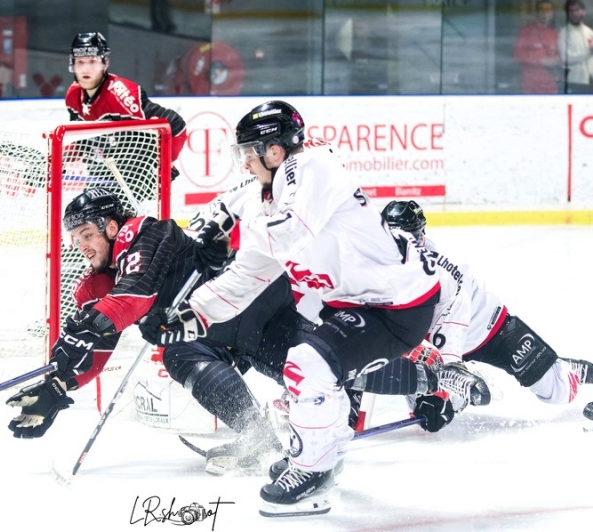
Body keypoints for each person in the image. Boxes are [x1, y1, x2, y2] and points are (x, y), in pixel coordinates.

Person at [144, 100, 442, 518]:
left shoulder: (311, 168)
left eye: (250, 152)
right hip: (355, 306)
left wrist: (228, 227)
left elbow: (287, 234)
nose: (245, 162)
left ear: (275, 150)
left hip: (396, 304)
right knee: (312, 369)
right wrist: (190, 315)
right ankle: (325, 454)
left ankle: (312, 471)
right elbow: (248, 276)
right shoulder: (273, 195)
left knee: (308, 364)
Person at [5, 187, 307, 476]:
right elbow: (97, 350)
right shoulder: (97, 284)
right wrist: (58, 385)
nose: (81, 246)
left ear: (111, 228)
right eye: (75, 238)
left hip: (251, 302)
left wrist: (88, 326)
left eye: (87, 234)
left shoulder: (142, 233)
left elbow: (135, 296)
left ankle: (331, 401)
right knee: (180, 353)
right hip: (214, 331)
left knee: (323, 377)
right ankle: (258, 437)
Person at [373, 200, 593, 406]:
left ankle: (563, 368)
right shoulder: (372, 262)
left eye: (407, 237)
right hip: (437, 339)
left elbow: (450, 337)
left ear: (421, 236)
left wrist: (445, 385)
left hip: (487, 328)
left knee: (558, 389)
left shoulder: (439, 274)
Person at [65, 32, 188, 168]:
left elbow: (176, 124)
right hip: (100, 177)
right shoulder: (73, 95)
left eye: (93, 61)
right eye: (80, 62)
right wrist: (62, 158)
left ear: (105, 64)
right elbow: (83, 143)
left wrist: (166, 164)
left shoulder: (122, 95)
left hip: (133, 182)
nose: (86, 69)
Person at [514, 0, 562, 93]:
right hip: (532, 87)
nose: (545, 13)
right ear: (536, 13)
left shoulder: (554, 34)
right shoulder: (526, 31)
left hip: (551, 86)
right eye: (542, 10)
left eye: (548, 10)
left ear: (552, 13)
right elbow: (517, 56)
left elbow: (560, 56)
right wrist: (541, 61)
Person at [558, 0, 593, 92]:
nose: (574, 13)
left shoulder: (589, 32)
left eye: (577, 10)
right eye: (571, 11)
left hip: (590, 81)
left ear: (583, 11)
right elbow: (565, 59)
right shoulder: (564, 33)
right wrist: (589, 54)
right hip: (573, 82)